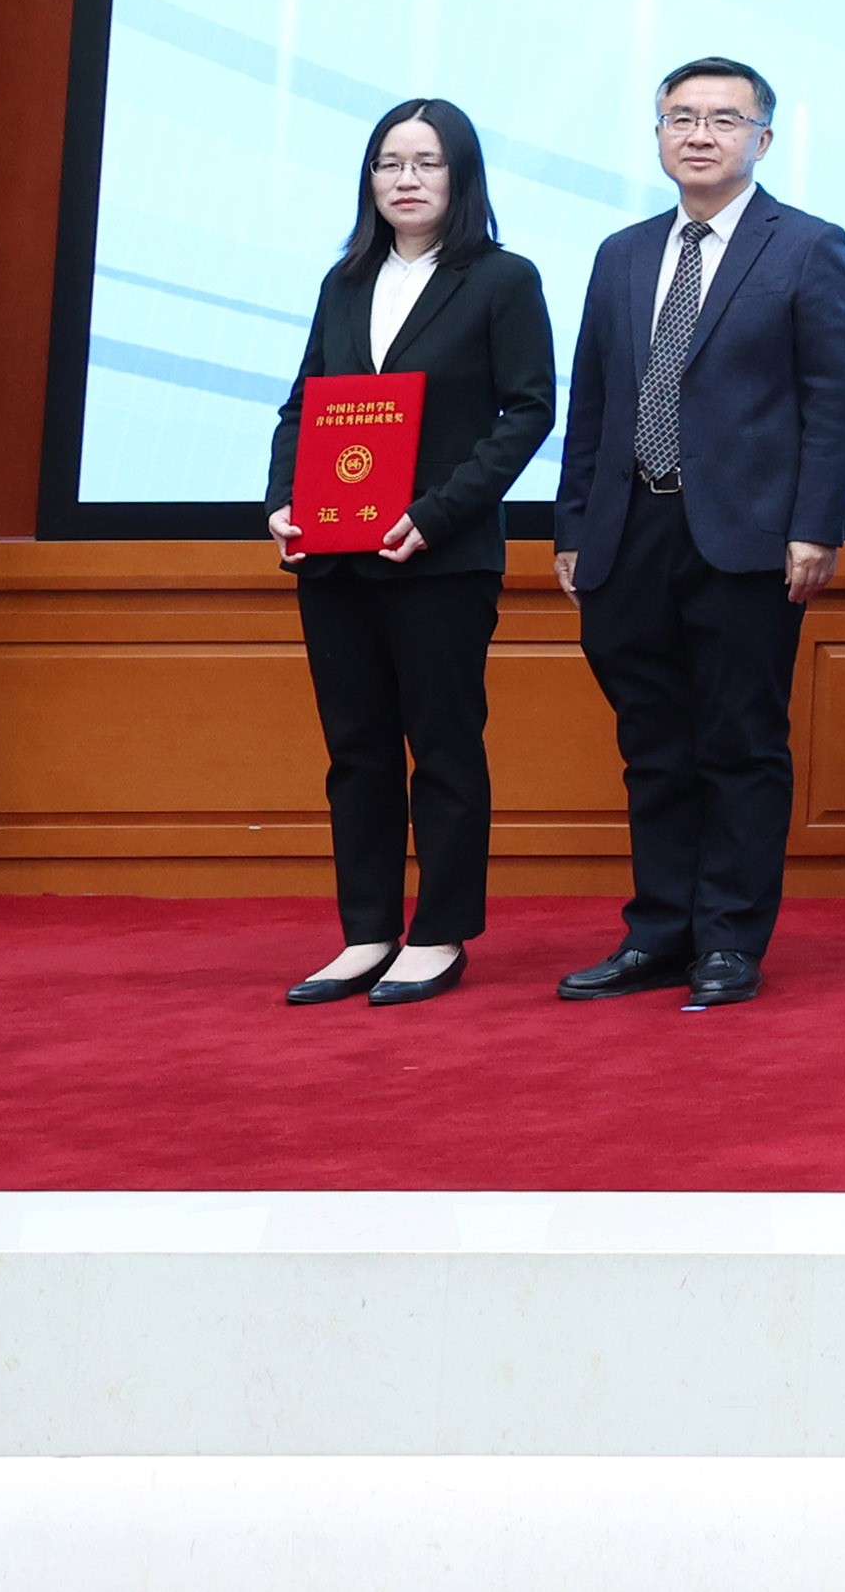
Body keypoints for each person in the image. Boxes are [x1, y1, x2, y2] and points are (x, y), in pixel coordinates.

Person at [549, 57, 845, 1008]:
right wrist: (573, 524)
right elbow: (593, 398)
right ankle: (658, 933)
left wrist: (816, 525)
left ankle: (728, 938)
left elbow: (833, 399)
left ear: (763, 138)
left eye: (724, 118)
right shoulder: (622, 252)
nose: (699, 134)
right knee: (653, 745)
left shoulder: (807, 245)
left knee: (740, 742)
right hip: (627, 530)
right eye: (680, 116)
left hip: (748, 537)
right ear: (658, 134)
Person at [262, 96, 558, 1008]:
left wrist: (436, 513)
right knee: (355, 749)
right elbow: (303, 405)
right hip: (334, 555)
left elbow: (528, 412)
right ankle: (366, 931)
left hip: (440, 556)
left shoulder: (502, 278)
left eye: (427, 162)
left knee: (443, 745)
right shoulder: (345, 279)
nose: (406, 178)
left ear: (461, 176)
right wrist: (283, 503)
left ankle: (437, 933)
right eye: (390, 162)